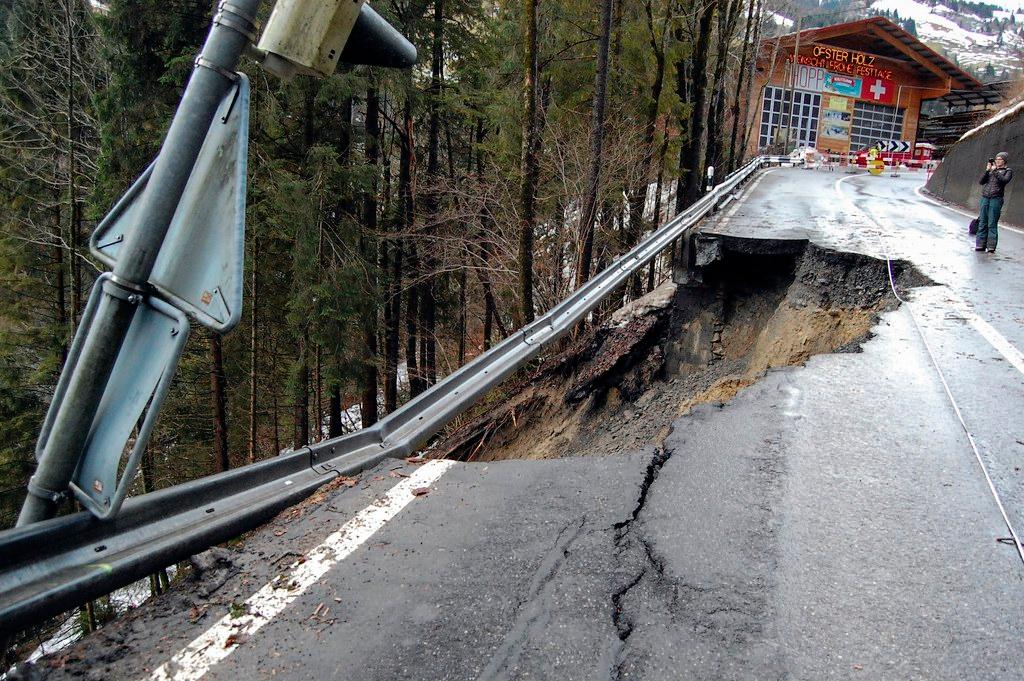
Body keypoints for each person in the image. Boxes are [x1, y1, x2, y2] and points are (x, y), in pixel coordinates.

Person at [976, 151, 1013, 253]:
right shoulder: (991, 170)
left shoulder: (1008, 171)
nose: (997, 161)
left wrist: (995, 171)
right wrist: (987, 171)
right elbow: (981, 182)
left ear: (1004, 161)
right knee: (982, 221)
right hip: (985, 197)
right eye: (996, 159)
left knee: (992, 222)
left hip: (996, 198)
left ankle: (991, 246)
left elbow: (1004, 180)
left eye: (1000, 159)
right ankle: (980, 244)